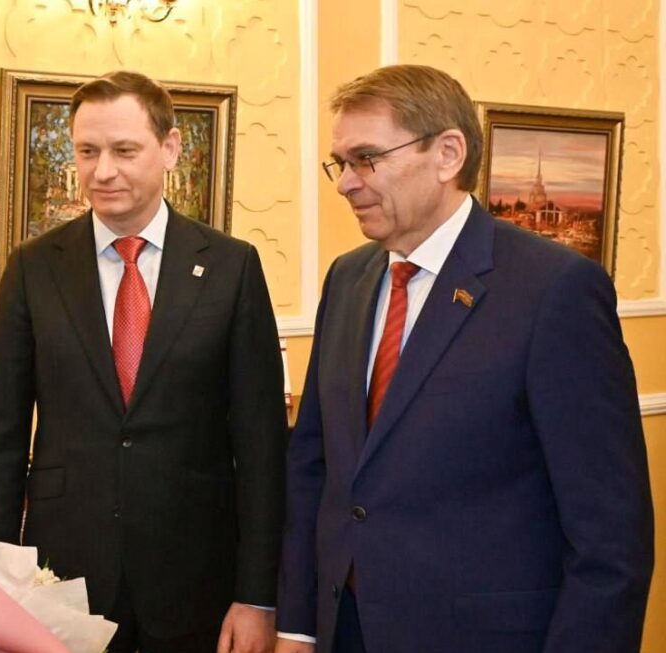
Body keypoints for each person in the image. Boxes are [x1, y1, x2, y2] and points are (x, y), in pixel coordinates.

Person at [275, 64, 654, 653]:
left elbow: (610, 535)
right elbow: (314, 466)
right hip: (345, 631)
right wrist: (298, 626)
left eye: (366, 159)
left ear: (448, 154)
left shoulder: (553, 289)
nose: (346, 183)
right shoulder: (348, 279)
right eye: (340, 163)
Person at [0, 70, 288, 653]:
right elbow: (0, 441)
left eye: (124, 151)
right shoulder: (34, 268)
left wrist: (258, 595)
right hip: (63, 579)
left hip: (196, 579)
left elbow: (262, 447)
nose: (103, 171)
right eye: (87, 151)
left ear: (170, 149)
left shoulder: (231, 267)